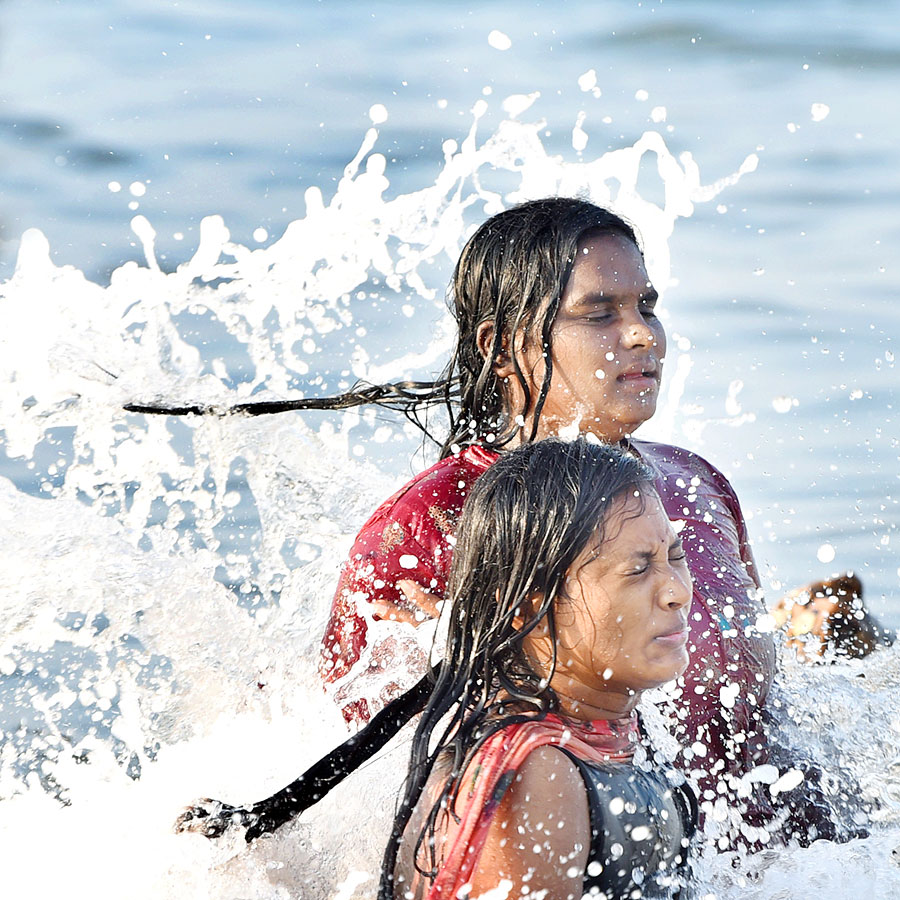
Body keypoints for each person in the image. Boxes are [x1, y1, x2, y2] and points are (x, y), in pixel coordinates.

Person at [316, 197, 864, 846]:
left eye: (647, 308)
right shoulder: (430, 526)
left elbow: (747, 706)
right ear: (503, 346)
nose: (642, 335)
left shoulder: (695, 483)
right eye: (600, 313)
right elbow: (357, 797)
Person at [179, 440, 699, 900]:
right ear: (528, 606)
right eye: (637, 570)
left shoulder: (604, 730)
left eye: (674, 555)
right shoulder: (535, 778)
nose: (677, 589)